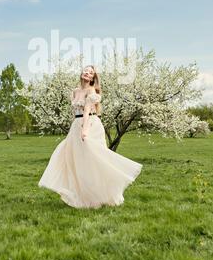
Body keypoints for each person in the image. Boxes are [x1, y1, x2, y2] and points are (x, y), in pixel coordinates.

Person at [38, 65, 142, 208]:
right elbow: (74, 112)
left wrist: (84, 131)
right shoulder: (74, 91)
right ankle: (82, 196)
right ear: (81, 73)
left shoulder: (91, 91)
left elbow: (87, 111)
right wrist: (75, 127)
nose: (87, 73)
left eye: (91, 72)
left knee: (93, 159)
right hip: (77, 124)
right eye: (86, 70)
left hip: (91, 124)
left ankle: (108, 188)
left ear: (93, 78)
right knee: (73, 159)